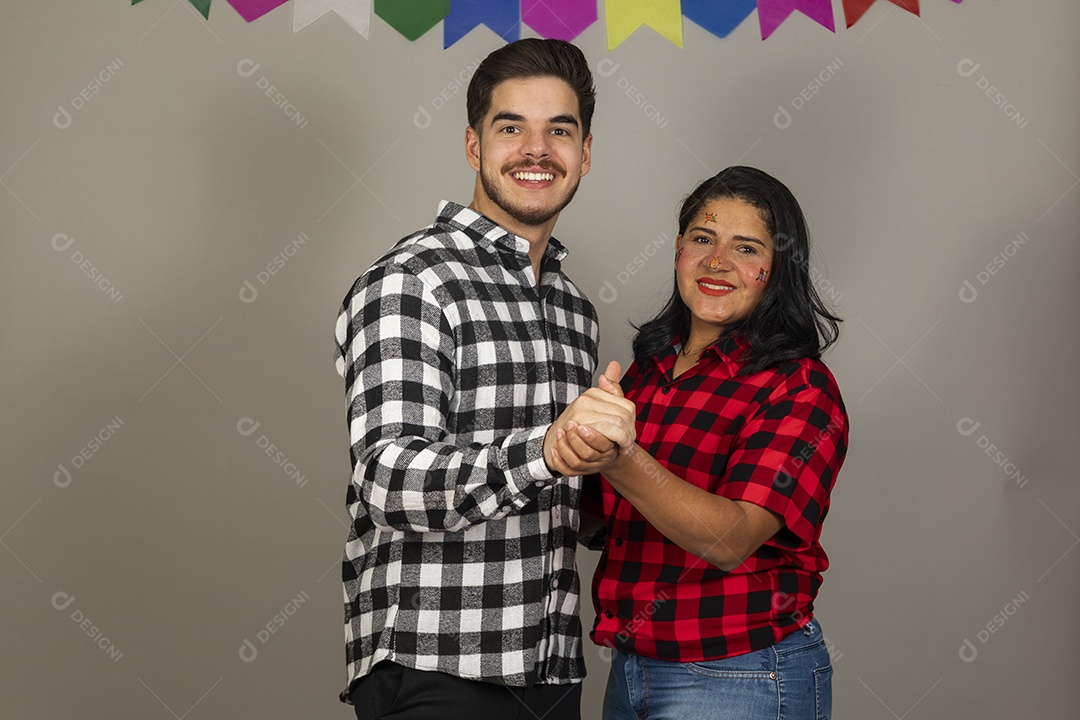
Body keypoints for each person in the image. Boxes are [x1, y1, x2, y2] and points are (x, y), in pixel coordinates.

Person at [333, 38, 635, 720]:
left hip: (550, 667)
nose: (537, 150)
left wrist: (619, 468)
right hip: (437, 662)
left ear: (585, 152)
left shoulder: (573, 309)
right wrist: (547, 451)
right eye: (511, 128)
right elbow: (389, 480)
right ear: (474, 145)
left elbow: (562, 496)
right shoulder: (413, 281)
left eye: (560, 130)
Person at [550, 166, 848, 719]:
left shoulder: (799, 388)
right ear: (678, 251)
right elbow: (604, 521)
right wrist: (568, 452)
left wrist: (621, 459)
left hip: (743, 672)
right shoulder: (647, 372)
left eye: (746, 248)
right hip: (632, 666)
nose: (717, 261)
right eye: (703, 239)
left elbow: (731, 539)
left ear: (778, 269)